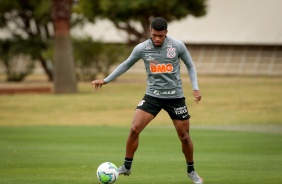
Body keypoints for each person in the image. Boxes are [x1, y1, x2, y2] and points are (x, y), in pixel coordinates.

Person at [91, 17, 203, 184]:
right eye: (154, 35)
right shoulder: (142, 48)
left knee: (185, 136)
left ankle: (191, 171)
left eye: (160, 35)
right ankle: (127, 167)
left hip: (175, 97)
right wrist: (106, 80)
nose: (157, 39)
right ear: (150, 32)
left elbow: (190, 65)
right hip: (153, 96)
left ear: (166, 33)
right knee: (134, 129)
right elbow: (126, 64)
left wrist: (195, 87)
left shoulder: (177, 46)